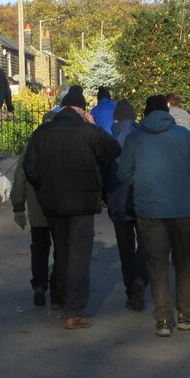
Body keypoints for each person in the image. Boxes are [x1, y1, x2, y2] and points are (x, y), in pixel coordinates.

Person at [23, 86, 121, 330]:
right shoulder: (88, 131)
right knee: (79, 255)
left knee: (62, 251)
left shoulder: (42, 132)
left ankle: (58, 297)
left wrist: (44, 186)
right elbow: (113, 151)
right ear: (80, 109)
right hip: (82, 204)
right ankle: (74, 310)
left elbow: (29, 167)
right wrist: (94, 124)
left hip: (53, 202)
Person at [118, 94, 190, 337]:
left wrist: (142, 180)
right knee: (183, 262)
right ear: (167, 113)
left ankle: (164, 319)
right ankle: (187, 314)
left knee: (156, 264)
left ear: (144, 114)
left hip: (149, 210)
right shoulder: (183, 135)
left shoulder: (135, 138)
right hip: (182, 209)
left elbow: (123, 174)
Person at [11, 111, 59, 308]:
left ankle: (39, 284)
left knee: (39, 247)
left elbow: (20, 177)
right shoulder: (59, 144)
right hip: (58, 206)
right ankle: (57, 290)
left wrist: (18, 206)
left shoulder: (31, 144)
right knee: (61, 249)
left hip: (36, 206)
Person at [103, 99, 147, 311]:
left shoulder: (109, 141)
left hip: (117, 199)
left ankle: (131, 289)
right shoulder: (142, 139)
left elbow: (103, 171)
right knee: (145, 243)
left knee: (125, 247)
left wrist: (105, 196)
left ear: (116, 119)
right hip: (140, 198)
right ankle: (140, 278)